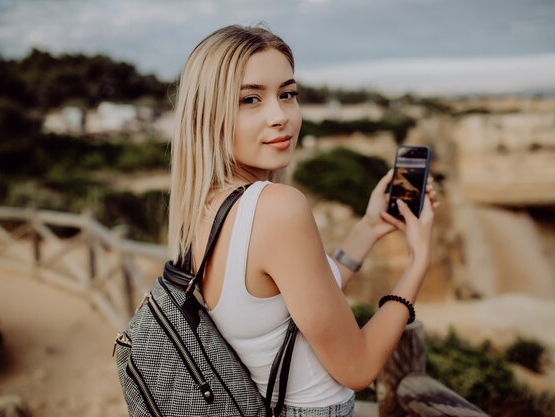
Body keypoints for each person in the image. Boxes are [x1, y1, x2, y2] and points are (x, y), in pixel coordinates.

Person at [167, 24, 437, 417]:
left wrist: (369, 228)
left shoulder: (205, 205)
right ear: (207, 113)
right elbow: (358, 368)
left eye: (287, 94)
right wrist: (419, 261)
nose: (280, 116)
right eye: (250, 100)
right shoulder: (277, 206)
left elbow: (290, 306)